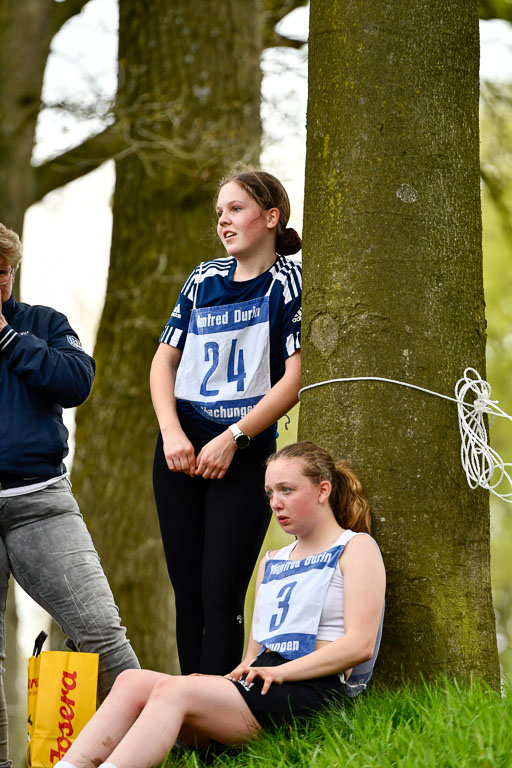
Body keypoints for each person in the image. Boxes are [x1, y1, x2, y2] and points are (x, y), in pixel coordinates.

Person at [53, 441, 385, 768]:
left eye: (287, 490)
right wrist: (223, 683)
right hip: (262, 687)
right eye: (270, 493)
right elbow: (254, 656)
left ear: (323, 490)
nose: (276, 503)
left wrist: (279, 672)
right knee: (131, 681)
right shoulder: (272, 561)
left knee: (174, 690)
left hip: (313, 690)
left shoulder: (355, 547)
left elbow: (360, 645)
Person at [151, 168, 303, 675]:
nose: (223, 220)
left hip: (245, 448)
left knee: (221, 591)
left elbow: (296, 377)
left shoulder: (290, 282)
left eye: (236, 209)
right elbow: (164, 362)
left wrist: (235, 438)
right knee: (187, 592)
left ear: (271, 217)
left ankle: (218, 712)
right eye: (220, 211)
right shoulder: (203, 279)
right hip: (181, 445)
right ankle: (190, 711)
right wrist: (172, 433)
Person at [0, 223, 140, 767]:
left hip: (42, 504)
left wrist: (7, 337)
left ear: (13, 272)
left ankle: (155, 747)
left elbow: (76, 382)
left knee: (101, 631)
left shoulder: (43, 323)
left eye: (2, 273)